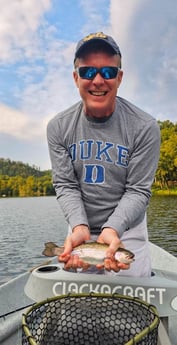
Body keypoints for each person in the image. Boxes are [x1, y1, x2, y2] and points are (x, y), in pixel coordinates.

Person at [47, 32, 160, 277]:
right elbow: (66, 184)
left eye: (108, 72)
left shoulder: (145, 127)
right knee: (81, 310)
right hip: (81, 232)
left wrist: (113, 229)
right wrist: (78, 226)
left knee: (131, 309)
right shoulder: (58, 127)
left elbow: (138, 190)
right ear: (75, 78)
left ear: (119, 78)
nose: (98, 80)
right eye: (88, 72)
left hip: (128, 231)